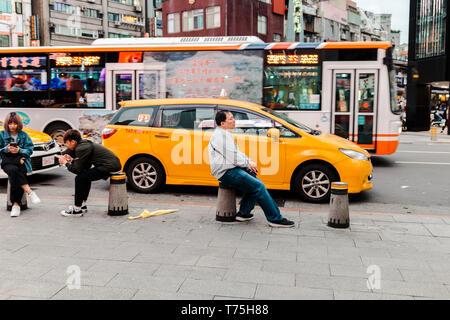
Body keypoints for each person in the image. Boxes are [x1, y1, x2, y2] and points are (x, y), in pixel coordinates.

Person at [208, 110, 295, 228]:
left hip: (232, 169)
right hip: (227, 172)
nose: (234, 121)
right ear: (222, 123)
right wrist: (248, 164)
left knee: (255, 183)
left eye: (233, 118)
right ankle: (275, 219)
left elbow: (237, 153)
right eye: (230, 119)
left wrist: (249, 162)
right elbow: (234, 157)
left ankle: (243, 213)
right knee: (259, 187)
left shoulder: (224, 134)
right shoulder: (220, 136)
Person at [56, 129, 121, 217]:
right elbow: (84, 167)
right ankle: (82, 205)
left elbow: (77, 170)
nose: (66, 145)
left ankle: (76, 210)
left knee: (80, 178)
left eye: (67, 143)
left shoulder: (81, 148)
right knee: (85, 176)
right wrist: (72, 160)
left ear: (73, 141)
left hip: (109, 166)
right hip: (111, 165)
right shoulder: (83, 144)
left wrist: (65, 163)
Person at [0, 112, 41, 217]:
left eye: (15, 123)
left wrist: (19, 150)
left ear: (19, 124)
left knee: (16, 174)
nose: (12, 126)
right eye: (10, 123)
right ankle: (30, 193)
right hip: (7, 161)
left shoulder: (24, 135)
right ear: (6, 124)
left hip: (21, 160)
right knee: (13, 171)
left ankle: (16, 205)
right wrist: (7, 149)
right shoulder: (1, 134)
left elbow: (30, 150)